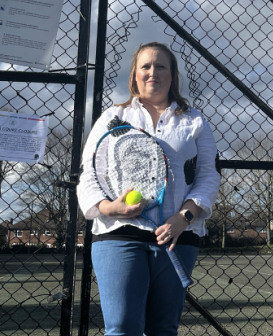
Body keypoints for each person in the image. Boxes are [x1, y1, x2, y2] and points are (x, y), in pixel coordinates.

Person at [77, 42, 220, 336]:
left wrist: (184, 218)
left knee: (163, 330)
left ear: (172, 74)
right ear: (135, 74)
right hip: (118, 233)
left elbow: (209, 176)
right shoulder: (113, 117)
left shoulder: (194, 121)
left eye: (160, 66)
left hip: (177, 237)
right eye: (145, 66)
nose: (152, 72)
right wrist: (109, 208)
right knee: (122, 329)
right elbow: (90, 173)